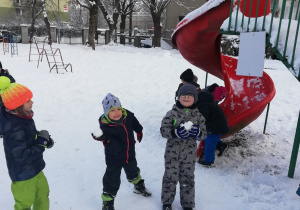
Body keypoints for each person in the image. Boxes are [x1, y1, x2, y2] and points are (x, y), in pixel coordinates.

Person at [0, 76, 54, 210]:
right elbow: (21, 155)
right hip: (23, 175)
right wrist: (41, 144)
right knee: (24, 204)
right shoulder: (13, 128)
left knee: (42, 195)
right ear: (17, 105)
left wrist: (43, 139)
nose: (32, 102)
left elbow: (29, 138)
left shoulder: (24, 117)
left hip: (35, 168)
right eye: (28, 100)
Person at [93, 93, 151, 210]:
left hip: (129, 154)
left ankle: (138, 186)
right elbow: (108, 141)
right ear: (106, 112)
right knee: (111, 180)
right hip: (113, 158)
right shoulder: (105, 126)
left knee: (133, 171)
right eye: (112, 110)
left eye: (119, 109)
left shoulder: (127, 116)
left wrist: (139, 130)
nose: (117, 112)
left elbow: (134, 121)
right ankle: (108, 203)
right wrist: (104, 138)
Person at [160, 84, 207, 210]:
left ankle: (187, 204)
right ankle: (167, 203)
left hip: (189, 154)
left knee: (188, 178)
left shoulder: (198, 116)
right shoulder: (171, 114)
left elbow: (204, 135)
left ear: (195, 99)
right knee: (170, 177)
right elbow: (163, 130)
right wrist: (174, 133)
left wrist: (198, 133)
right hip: (172, 153)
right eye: (183, 95)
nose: (186, 98)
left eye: (190, 96)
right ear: (178, 97)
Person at [197, 90, 229, 167]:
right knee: (208, 138)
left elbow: (204, 118)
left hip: (215, 128)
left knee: (209, 146)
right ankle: (221, 145)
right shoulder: (210, 104)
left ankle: (208, 161)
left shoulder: (203, 105)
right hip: (217, 126)